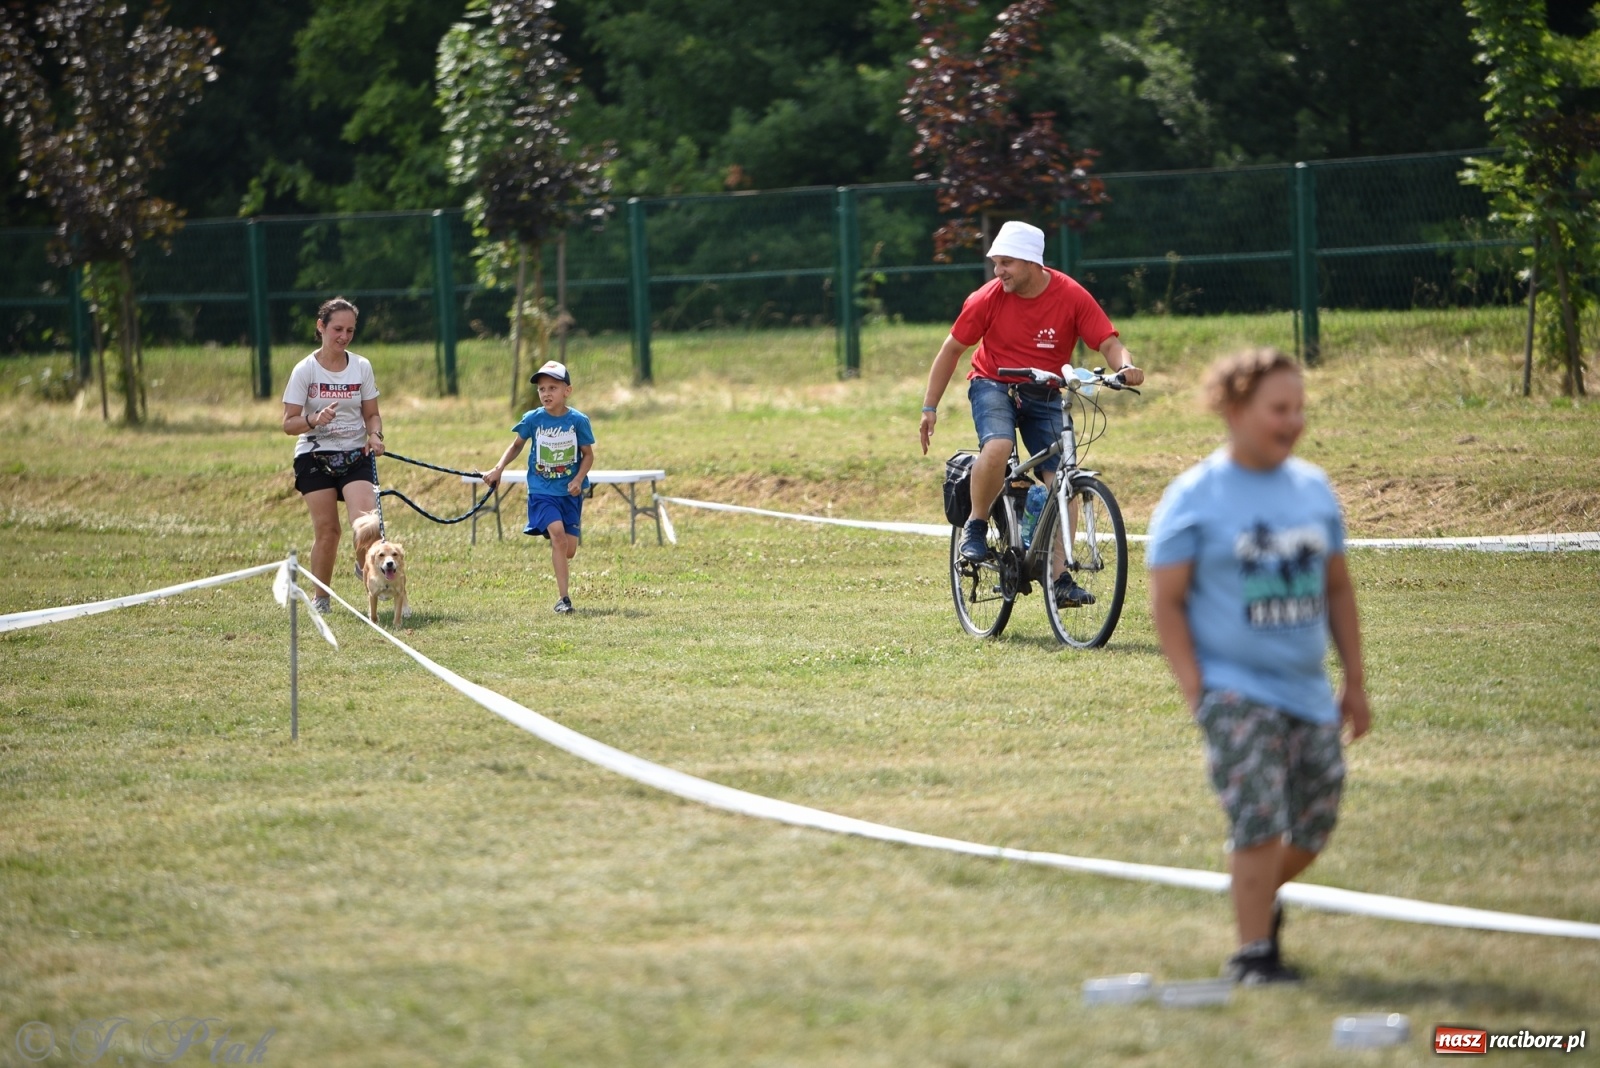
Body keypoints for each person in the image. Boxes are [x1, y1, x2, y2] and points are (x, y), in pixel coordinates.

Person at [1146, 347, 1371, 985]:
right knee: (1259, 817)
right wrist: (1199, 689)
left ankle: (1254, 891)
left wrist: (1354, 681)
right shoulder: (1196, 496)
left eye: (1299, 407)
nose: (1293, 420)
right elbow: (1166, 602)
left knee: (1315, 818)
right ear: (1235, 409)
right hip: (1234, 689)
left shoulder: (1312, 489)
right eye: (1279, 408)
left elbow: (1337, 589)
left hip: (1308, 690)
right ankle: (1253, 954)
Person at [919, 220, 1144, 607]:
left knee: (1064, 479)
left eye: (1006, 262)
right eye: (996, 263)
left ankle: (1058, 577)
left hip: (1045, 389)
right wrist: (929, 407)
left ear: (1031, 262)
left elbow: (1108, 341)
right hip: (993, 383)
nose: (998, 271)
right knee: (999, 444)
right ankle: (975, 525)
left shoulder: (1070, 295)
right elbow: (951, 350)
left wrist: (1125, 367)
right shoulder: (986, 298)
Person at [281, 296, 385, 614]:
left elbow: (372, 414)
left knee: (367, 526)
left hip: (355, 454)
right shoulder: (305, 370)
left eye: (350, 330)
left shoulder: (361, 366)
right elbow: (288, 423)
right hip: (314, 457)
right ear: (321, 327)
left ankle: (364, 564)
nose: (343, 336)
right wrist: (314, 419)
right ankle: (321, 599)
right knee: (329, 531)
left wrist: (375, 436)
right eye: (337, 329)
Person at [482, 360, 595, 615]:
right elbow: (516, 446)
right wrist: (498, 468)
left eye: (553, 388)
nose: (546, 393)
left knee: (569, 550)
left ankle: (553, 532)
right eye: (542, 389)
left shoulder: (578, 421)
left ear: (567, 391)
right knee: (557, 535)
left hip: (569, 492)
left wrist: (578, 479)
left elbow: (588, 455)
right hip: (541, 490)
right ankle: (563, 599)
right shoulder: (533, 419)